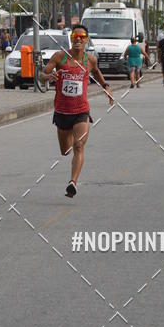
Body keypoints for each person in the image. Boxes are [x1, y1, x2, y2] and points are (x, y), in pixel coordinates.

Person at [39, 25, 114, 198]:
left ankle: (72, 182)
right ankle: (71, 136)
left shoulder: (90, 60)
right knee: (65, 151)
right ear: (71, 38)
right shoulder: (60, 57)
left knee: (78, 146)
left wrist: (106, 87)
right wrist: (49, 77)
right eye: (75, 35)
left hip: (81, 111)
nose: (78, 39)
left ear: (87, 39)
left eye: (82, 36)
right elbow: (42, 74)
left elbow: (97, 73)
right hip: (62, 112)